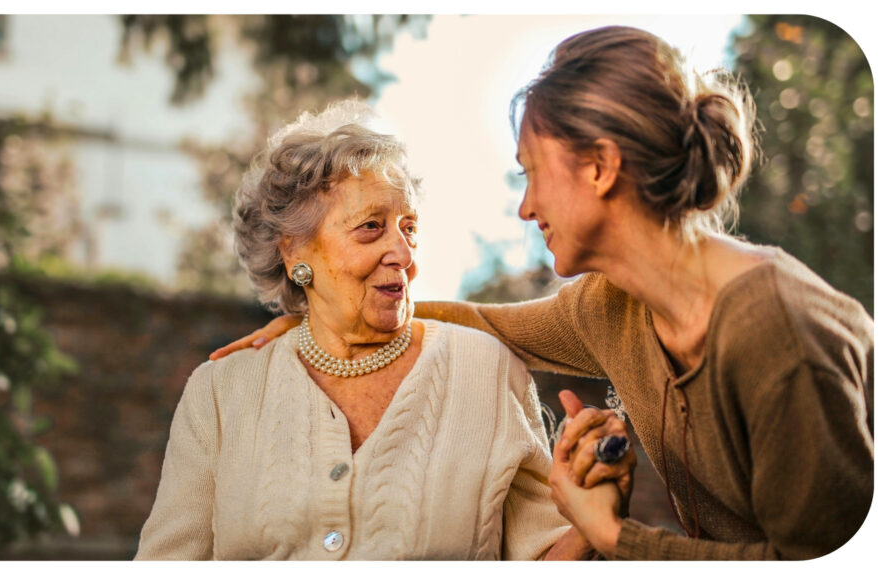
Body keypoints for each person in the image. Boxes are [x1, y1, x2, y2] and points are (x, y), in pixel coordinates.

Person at [210, 26, 874, 560]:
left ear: (600, 166)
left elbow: (827, 559)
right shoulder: (613, 305)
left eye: (532, 174)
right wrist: (326, 319)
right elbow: (484, 324)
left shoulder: (776, 331)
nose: (525, 207)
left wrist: (614, 535)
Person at [135, 101, 613, 560]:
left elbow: (543, 554)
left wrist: (595, 523)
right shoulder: (220, 393)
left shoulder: (486, 371)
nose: (404, 255)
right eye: (370, 227)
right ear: (295, 251)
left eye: (409, 228)